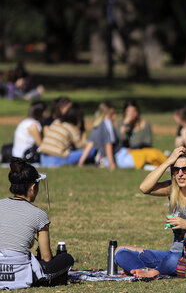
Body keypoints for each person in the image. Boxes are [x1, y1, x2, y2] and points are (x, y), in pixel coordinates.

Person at [114, 147, 186, 277]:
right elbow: (144, 188)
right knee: (120, 252)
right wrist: (168, 161)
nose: (180, 174)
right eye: (176, 170)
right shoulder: (174, 190)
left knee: (173, 261)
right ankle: (148, 271)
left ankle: (155, 272)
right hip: (175, 254)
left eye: (185, 169)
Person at [0, 158, 74, 289]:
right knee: (66, 259)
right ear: (33, 187)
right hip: (20, 273)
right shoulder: (39, 215)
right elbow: (46, 258)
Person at [78, 102, 166, 170]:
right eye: (113, 114)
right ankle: (170, 164)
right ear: (107, 114)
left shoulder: (96, 126)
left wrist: (80, 163)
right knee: (151, 153)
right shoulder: (107, 123)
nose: (115, 116)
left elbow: (90, 145)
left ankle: (167, 163)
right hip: (118, 157)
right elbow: (108, 144)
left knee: (149, 154)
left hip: (109, 159)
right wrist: (112, 164)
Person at [38, 102, 90, 167]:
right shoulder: (72, 128)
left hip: (43, 158)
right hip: (56, 160)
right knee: (91, 151)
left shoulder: (56, 122)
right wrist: (83, 131)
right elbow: (80, 147)